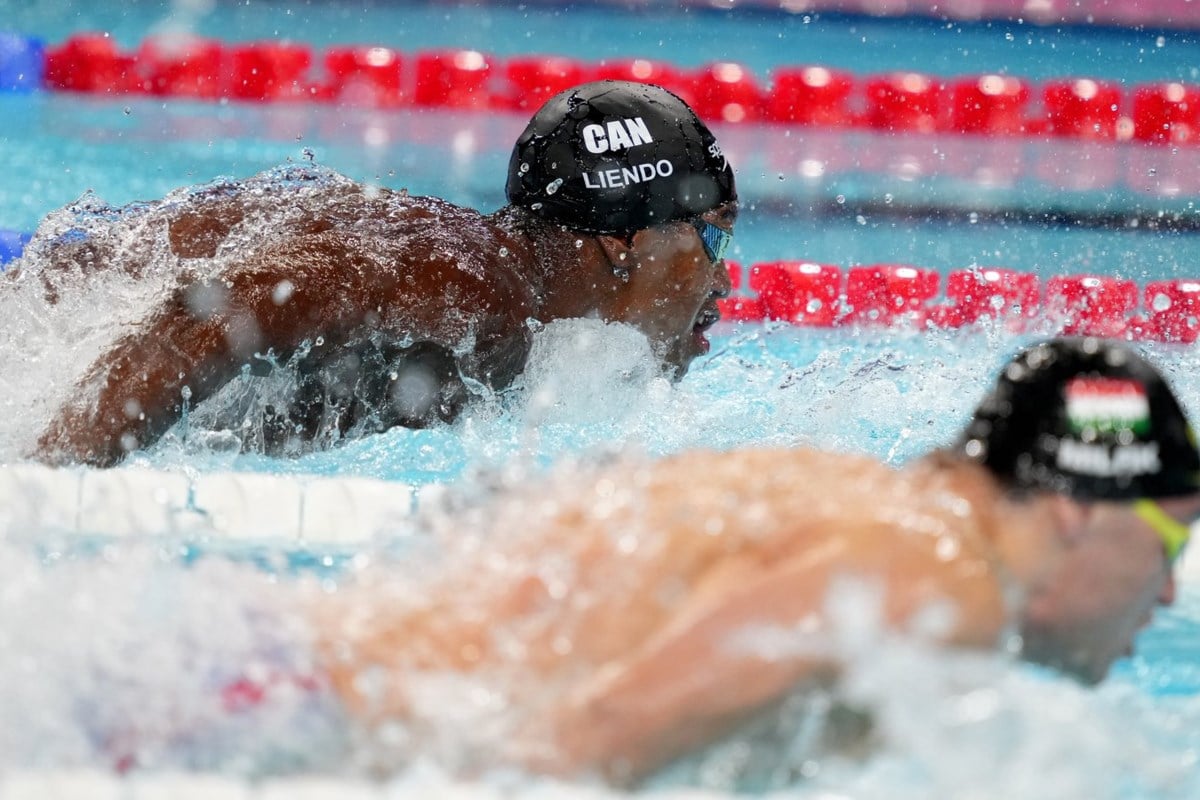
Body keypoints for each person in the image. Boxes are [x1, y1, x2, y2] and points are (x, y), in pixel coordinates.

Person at [299, 337, 1199, 784]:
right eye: (1173, 541)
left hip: (300, 689)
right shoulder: (935, 575)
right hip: (293, 725)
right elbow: (591, 738)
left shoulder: (867, 510)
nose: (1166, 591)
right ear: (1079, 510)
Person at [24, 79, 737, 467]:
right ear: (625, 242)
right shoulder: (473, 289)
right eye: (713, 240)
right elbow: (222, 306)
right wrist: (46, 485)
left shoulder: (497, 291)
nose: (723, 282)